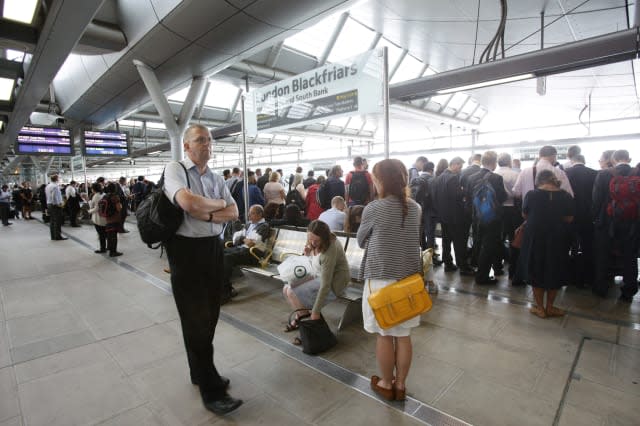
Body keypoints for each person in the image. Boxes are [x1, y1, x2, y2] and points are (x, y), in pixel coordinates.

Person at [162, 124, 242, 415]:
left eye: (209, 139)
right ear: (186, 145)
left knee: (210, 314)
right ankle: (212, 391)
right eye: (199, 139)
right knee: (195, 320)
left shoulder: (217, 177)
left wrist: (206, 210)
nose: (206, 144)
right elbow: (186, 201)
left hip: (212, 250)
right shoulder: (175, 170)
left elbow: (233, 212)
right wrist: (215, 209)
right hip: (185, 252)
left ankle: (199, 371)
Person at [357, 159, 422, 402]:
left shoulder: (373, 208)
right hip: (408, 281)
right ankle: (401, 385)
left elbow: (362, 241)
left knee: (384, 334)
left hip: (381, 280)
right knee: (403, 335)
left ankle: (385, 383)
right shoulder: (415, 207)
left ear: (380, 181)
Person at [518, 170, 574, 318]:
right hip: (558, 236)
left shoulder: (532, 194)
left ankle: (540, 308)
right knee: (554, 268)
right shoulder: (565, 195)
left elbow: (525, 214)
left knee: (536, 268)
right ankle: (550, 307)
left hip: (535, 236)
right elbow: (569, 218)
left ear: (539, 180)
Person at [283, 220, 350, 338]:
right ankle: (304, 319)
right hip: (317, 274)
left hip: (334, 281)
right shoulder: (313, 240)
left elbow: (326, 284)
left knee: (292, 292)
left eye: (316, 240)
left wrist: (316, 311)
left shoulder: (330, 249)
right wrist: (307, 254)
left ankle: (306, 322)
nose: (313, 243)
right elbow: (312, 261)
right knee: (286, 288)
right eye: (310, 239)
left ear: (324, 238)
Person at [591, 150, 640, 301]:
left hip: (607, 222)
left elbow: (596, 200)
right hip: (632, 222)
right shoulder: (637, 173)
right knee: (630, 256)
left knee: (603, 255)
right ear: (629, 158)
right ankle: (628, 291)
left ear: (613, 159)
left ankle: (601, 288)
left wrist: (595, 218)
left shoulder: (604, 174)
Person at [466, 151, 508, 284]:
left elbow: (468, 198)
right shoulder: (496, 178)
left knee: (478, 243)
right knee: (489, 247)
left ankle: (478, 269)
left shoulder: (471, 178)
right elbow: (502, 197)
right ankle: (482, 277)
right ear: (494, 163)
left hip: (476, 217)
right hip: (492, 218)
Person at [432, 157, 474, 275]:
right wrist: (464, 191)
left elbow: (434, 197)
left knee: (446, 240)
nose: (460, 170)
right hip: (455, 216)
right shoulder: (453, 178)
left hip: (444, 216)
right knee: (459, 242)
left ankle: (448, 264)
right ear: (454, 164)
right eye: (459, 166)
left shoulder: (438, 178)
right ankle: (464, 267)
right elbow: (457, 195)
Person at [222, 205, 271, 302]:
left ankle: (225, 292)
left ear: (260, 214)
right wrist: (243, 239)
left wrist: (242, 239)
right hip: (243, 250)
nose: (248, 215)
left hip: (254, 254)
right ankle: (225, 288)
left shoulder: (264, 226)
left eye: (252, 213)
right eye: (249, 213)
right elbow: (235, 238)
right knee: (220, 253)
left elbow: (251, 243)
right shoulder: (249, 224)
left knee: (227, 258)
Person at [565, 154, 597, 288]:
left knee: (568, 246)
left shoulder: (566, 173)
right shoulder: (594, 173)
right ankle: (587, 277)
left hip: (569, 215)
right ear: (584, 161)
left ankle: (569, 276)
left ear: (572, 161)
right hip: (588, 216)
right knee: (587, 247)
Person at [102, 183, 123, 257]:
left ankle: (109, 249)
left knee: (109, 235)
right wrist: (121, 206)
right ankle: (113, 252)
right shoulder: (115, 197)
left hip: (107, 218)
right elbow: (118, 208)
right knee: (114, 236)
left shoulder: (105, 196)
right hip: (114, 218)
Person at [87, 182, 107, 253]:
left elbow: (96, 208)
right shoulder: (104, 194)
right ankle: (107, 247)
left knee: (101, 234)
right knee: (104, 233)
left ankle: (103, 249)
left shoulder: (96, 196)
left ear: (94, 189)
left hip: (98, 218)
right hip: (105, 217)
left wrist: (89, 211)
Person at [46, 175, 67, 241]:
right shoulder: (55, 186)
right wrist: (58, 204)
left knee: (52, 221)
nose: (59, 179)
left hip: (49, 204)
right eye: (59, 178)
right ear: (56, 179)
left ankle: (53, 236)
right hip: (55, 205)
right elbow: (54, 197)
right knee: (57, 221)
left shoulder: (48, 186)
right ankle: (58, 236)